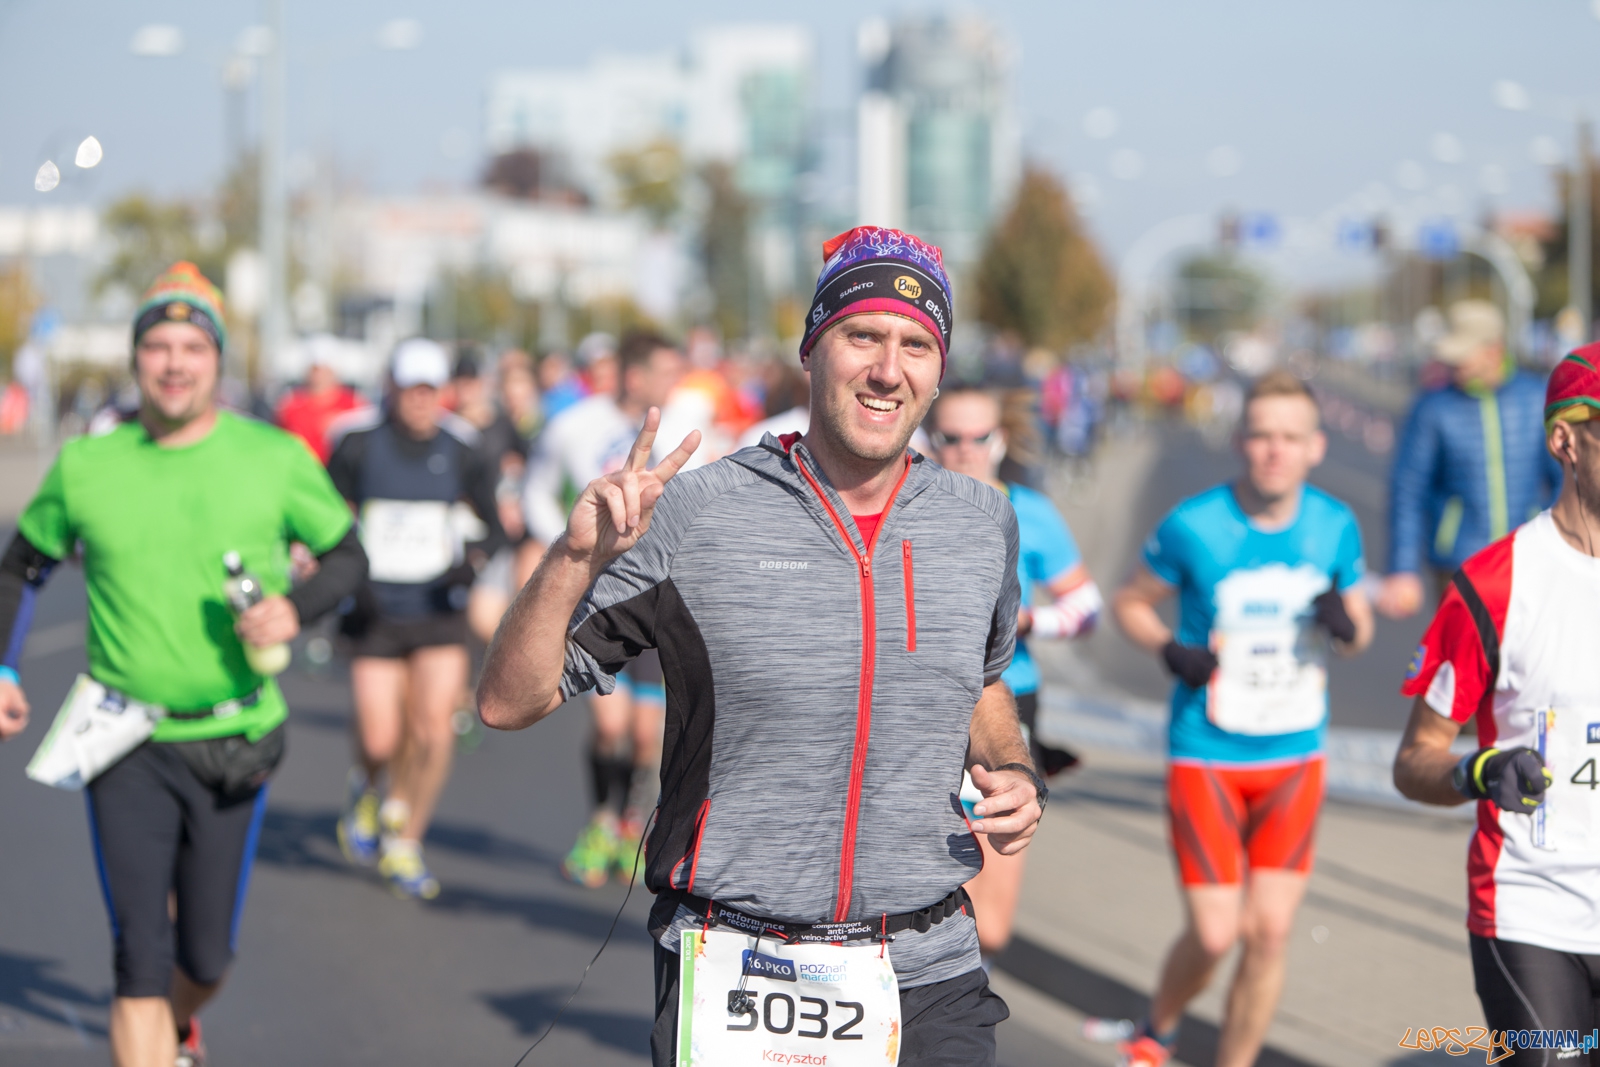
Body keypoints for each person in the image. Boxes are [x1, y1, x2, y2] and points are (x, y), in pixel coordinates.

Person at [480, 225, 1042, 1067]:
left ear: (938, 370)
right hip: (740, 965)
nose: (889, 369)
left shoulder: (981, 522)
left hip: (926, 964)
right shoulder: (697, 513)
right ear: (812, 350)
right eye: (864, 336)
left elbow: (983, 680)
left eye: (917, 345)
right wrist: (571, 557)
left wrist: (1013, 767)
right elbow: (508, 700)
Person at [0, 262, 366, 1067]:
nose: (174, 363)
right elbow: (20, 564)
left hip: (236, 733)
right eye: (157, 346)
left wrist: (294, 608)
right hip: (123, 736)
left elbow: (347, 555)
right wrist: (5, 667)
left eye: (192, 347)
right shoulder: (87, 464)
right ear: (136, 359)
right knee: (139, 954)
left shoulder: (272, 457)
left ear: (217, 360)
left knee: (205, 957)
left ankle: (179, 1022)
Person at [1109, 369, 1374, 1067]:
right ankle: (1159, 1025)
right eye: (1261, 436)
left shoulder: (1335, 524)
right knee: (1216, 932)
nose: (1274, 451)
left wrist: (1346, 623)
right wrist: (1169, 648)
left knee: (1271, 931)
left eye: (1290, 437)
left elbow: (1360, 627)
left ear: (1315, 446)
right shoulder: (1194, 524)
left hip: (1295, 754)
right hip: (1208, 752)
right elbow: (1130, 602)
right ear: (1240, 441)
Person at [1393, 348, 1600, 1055]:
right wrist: (1479, 771)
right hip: (1532, 912)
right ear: (1565, 441)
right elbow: (1413, 759)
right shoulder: (1495, 584)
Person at [327, 338, 507, 899]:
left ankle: (406, 837)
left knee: (433, 729)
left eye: (430, 389)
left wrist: (470, 563)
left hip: (437, 609)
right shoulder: (357, 443)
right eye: (411, 389)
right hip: (375, 611)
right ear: (392, 388)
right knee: (382, 737)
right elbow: (327, 516)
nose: (420, 400)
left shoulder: (463, 447)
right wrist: (348, 576)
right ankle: (368, 786)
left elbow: (495, 525)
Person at [930, 384, 1101, 961]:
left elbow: (1087, 607)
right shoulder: (907, 505)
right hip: (922, 704)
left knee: (993, 923)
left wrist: (1031, 621)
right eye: (951, 437)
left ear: (1000, 441)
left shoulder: (1031, 512)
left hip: (1007, 703)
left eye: (979, 437)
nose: (966, 450)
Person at [520, 330, 685, 887]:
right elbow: (535, 492)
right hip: (595, 595)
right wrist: (570, 551)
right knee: (610, 726)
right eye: (664, 373)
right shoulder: (575, 425)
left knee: (645, 735)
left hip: (657, 596)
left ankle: (631, 823)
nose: (674, 383)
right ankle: (600, 822)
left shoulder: (686, 434)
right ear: (635, 376)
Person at [1376, 299, 1561, 618]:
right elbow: (1408, 488)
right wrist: (1402, 568)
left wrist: (1551, 537)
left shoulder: (1537, 399)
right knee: (1465, 650)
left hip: (1528, 561)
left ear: (1494, 350)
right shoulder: (1432, 407)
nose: (1453, 362)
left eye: (1463, 353)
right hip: (1458, 565)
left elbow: (1566, 478)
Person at [274, 341, 365, 463]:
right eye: (315, 369)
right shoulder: (289, 403)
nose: (319, 375)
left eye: (324, 369)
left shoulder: (355, 404)